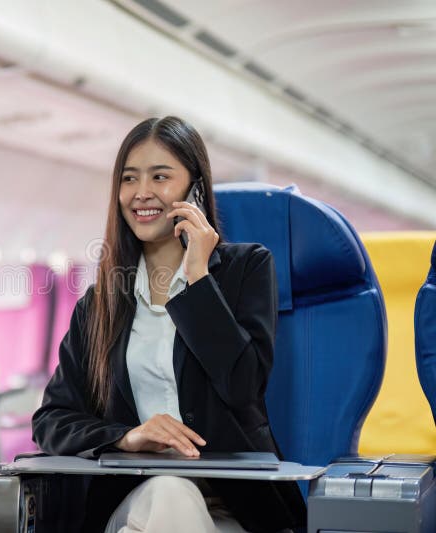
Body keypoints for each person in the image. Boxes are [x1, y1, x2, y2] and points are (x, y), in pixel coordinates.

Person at [32, 116, 307, 532]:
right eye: (129, 179)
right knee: (170, 493)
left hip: (236, 509)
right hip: (138, 499)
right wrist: (127, 437)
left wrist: (198, 278)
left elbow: (242, 388)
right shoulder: (101, 302)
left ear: (194, 189)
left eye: (160, 177)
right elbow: (51, 419)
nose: (141, 194)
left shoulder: (246, 269)